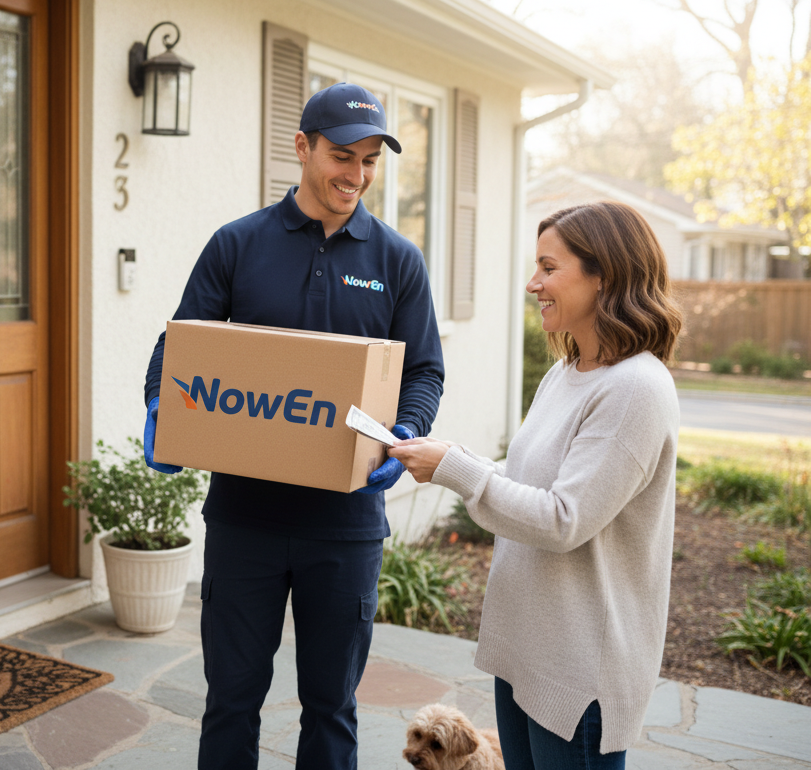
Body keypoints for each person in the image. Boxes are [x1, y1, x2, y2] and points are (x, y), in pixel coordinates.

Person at [142, 82, 445, 770]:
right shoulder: (239, 244)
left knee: (331, 706)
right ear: (302, 146)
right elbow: (180, 343)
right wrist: (162, 408)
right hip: (245, 519)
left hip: (345, 524)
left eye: (370, 160)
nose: (357, 175)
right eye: (344, 155)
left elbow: (424, 369)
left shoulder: (397, 261)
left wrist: (404, 433)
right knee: (231, 699)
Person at [390, 201, 683, 769]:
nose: (533, 283)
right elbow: (525, 480)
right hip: (527, 653)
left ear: (605, 276)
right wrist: (446, 459)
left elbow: (561, 519)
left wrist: (454, 466)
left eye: (549, 268)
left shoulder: (635, 389)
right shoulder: (567, 372)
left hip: (578, 675)